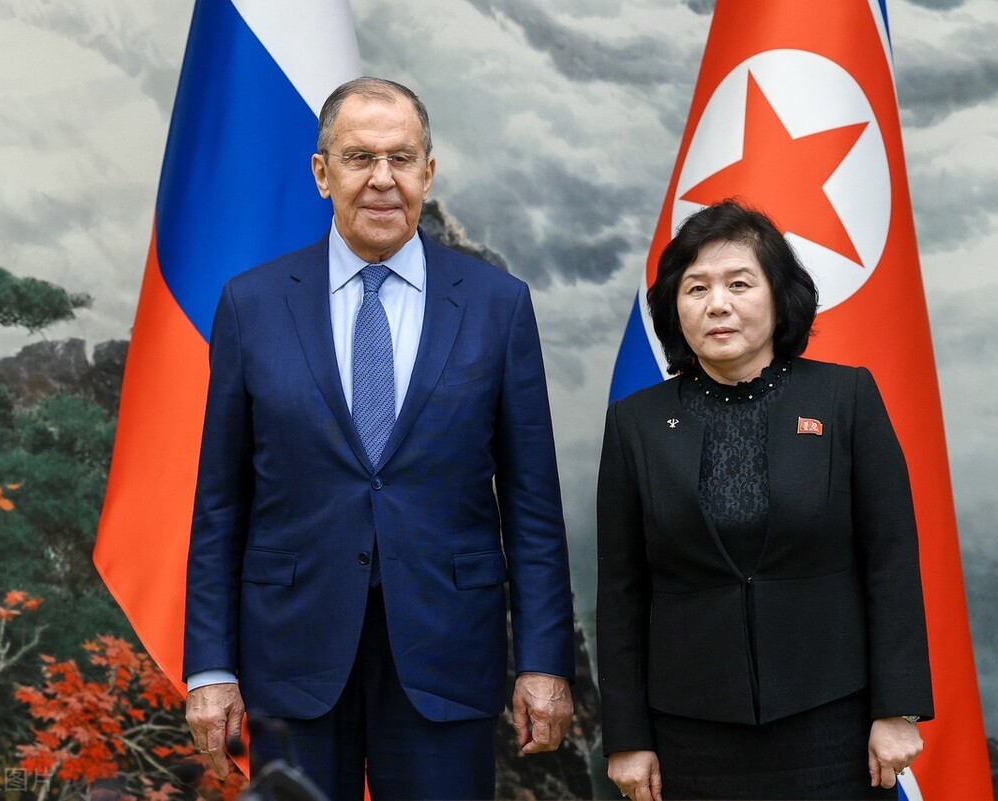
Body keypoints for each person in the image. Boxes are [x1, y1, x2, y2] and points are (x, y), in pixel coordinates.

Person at [182, 77, 575, 800]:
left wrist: (545, 660)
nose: (382, 179)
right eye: (360, 157)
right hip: (291, 654)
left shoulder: (498, 306)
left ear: (429, 170)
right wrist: (210, 666)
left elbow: (533, 506)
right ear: (321, 173)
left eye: (401, 157)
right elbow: (219, 505)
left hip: (446, 651)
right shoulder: (251, 304)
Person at [597, 200, 933, 801]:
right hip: (689, 738)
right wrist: (627, 737)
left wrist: (898, 707)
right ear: (674, 307)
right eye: (696, 288)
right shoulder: (635, 424)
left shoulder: (845, 398)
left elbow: (891, 560)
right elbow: (621, 591)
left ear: (779, 296)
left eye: (739, 283)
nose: (717, 304)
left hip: (833, 725)